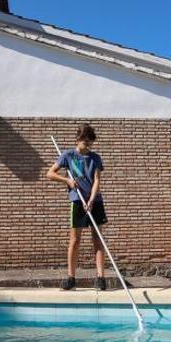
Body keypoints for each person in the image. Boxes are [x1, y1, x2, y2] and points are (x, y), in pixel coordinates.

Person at [46, 124, 109, 290]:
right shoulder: (68, 156)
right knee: (75, 240)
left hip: (95, 201)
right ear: (78, 139)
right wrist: (67, 180)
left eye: (90, 143)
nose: (88, 146)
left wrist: (92, 199)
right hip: (76, 200)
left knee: (97, 239)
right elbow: (50, 173)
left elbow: (96, 181)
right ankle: (71, 278)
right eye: (85, 143)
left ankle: (101, 278)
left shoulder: (95, 158)